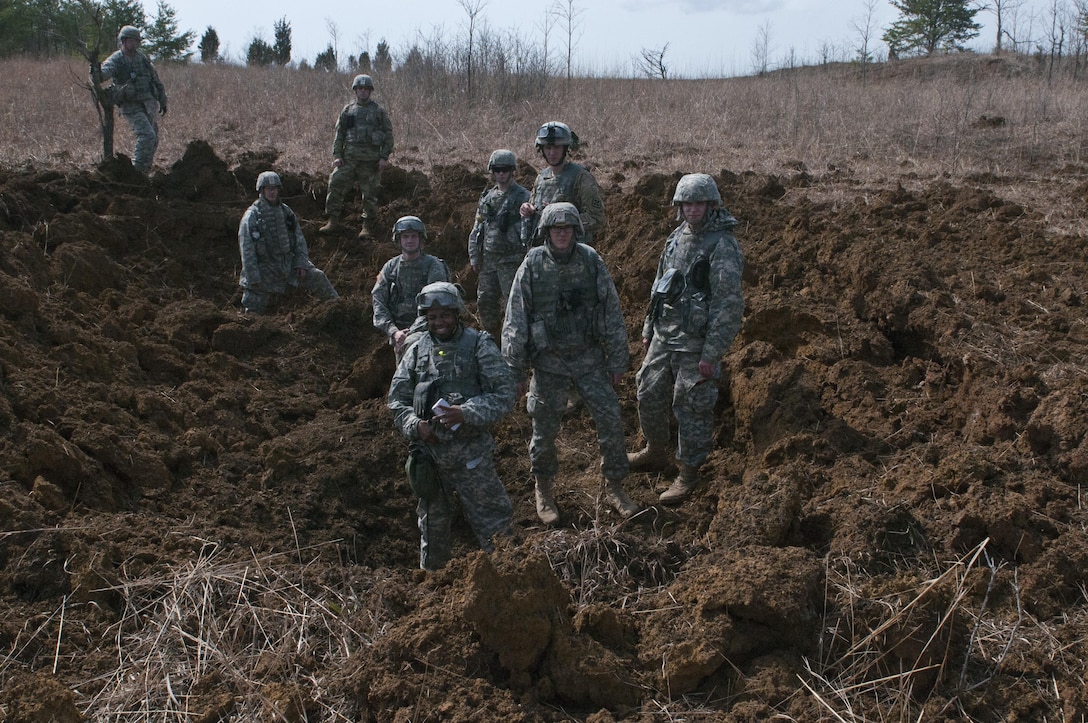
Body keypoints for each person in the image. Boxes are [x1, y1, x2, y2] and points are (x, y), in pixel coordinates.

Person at [502, 202, 639, 524]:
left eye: (566, 228)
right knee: (544, 431)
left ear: (575, 230)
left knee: (611, 423)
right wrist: (515, 370)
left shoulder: (591, 261)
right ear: (546, 232)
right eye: (555, 228)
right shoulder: (533, 264)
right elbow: (515, 320)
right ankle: (544, 488)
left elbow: (611, 311)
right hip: (549, 362)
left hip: (589, 359)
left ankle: (615, 487)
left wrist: (618, 359)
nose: (561, 234)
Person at [627, 174, 744, 503]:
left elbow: (728, 304)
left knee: (690, 405)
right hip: (666, 334)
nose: (692, 209)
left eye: (698, 203)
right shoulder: (676, 238)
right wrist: (649, 329)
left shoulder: (722, 245)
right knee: (647, 389)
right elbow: (658, 286)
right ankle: (655, 449)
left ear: (710, 204)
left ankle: (689, 471)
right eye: (687, 203)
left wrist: (712, 353)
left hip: (696, 342)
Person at [388, 282, 515, 570]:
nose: (438, 322)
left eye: (444, 315)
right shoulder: (417, 351)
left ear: (456, 313)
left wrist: (466, 412)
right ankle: (433, 586)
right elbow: (397, 400)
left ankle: (508, 581)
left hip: (472, 457)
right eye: (432, 317)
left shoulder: (478, 345)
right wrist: (414, 425)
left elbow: (504, 394)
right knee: (432, 531)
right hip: (431, 459)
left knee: (496, 527)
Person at [237, 171, 339, 314]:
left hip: (287, 263)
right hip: (265, 267)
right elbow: (247, 251)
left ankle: (338, 307)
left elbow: (299, 240)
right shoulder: (252, 216)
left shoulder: (286, 212)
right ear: (261, 190)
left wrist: (301, 264)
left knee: (318, 277)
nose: (272, 192)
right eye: (268, 188)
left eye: (275, 188)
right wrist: (254, 277)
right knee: (253, 307)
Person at [320, 74, 394, 238]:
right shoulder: (348, 111)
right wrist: (337, 155)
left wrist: (384, 157)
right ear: (355, 90)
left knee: (370, 194)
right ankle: (333, 220)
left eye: (366, 89)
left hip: (370, 161)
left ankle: (367, 226)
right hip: (349, 159)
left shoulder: (378, 112)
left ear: (370, 91)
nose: (362, 92)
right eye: (360, 89)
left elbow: (388, 136)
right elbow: (339, 135)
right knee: (336, 182)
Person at [468, 149, 531, 338]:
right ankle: (491, 340)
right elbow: (477, 227)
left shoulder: (524, 197)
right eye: (497, 170)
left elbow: (531, 230)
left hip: (512, 260)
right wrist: (474, 254)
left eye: (505, 169)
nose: (501, 173)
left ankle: (516, 343)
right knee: (485, 301)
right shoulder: (487, 198)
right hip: (489, 261)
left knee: (514, 305)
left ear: (513, 171)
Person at [372, 216, 450, 362]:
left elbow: (438, 305)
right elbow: (378, 301)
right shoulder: (390, 267)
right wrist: (393, 331)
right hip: (399, 333)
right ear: (399, 239)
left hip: (430, 330)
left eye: (414, 236)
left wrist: (411, 333)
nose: (410, 240)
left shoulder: (433, 266)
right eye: (405, 236)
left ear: (421, 239)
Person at [518, 121, 607, 247]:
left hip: (572, 255)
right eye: (548, 148)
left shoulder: (580, 177)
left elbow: (597, 218)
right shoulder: (541, 178)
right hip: (543, 253)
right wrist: (528, 209)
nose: (552, 152)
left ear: (566, 148)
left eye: (557, 147)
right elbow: (535, 209)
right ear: (542, 150)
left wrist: (564, 219)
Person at [99, 25, 167, 174]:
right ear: (123, 41)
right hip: (131, 105)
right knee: (146, 135)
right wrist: (97, 72)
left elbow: (154, 78)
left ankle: (144, 172)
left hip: (148, 104)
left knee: (153, 138)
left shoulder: (142, 57)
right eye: (132, 40)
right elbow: (104, 73)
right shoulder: (117, 59)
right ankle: (137, 172)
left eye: (137, 41)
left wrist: (162, 98)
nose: (135, 44)